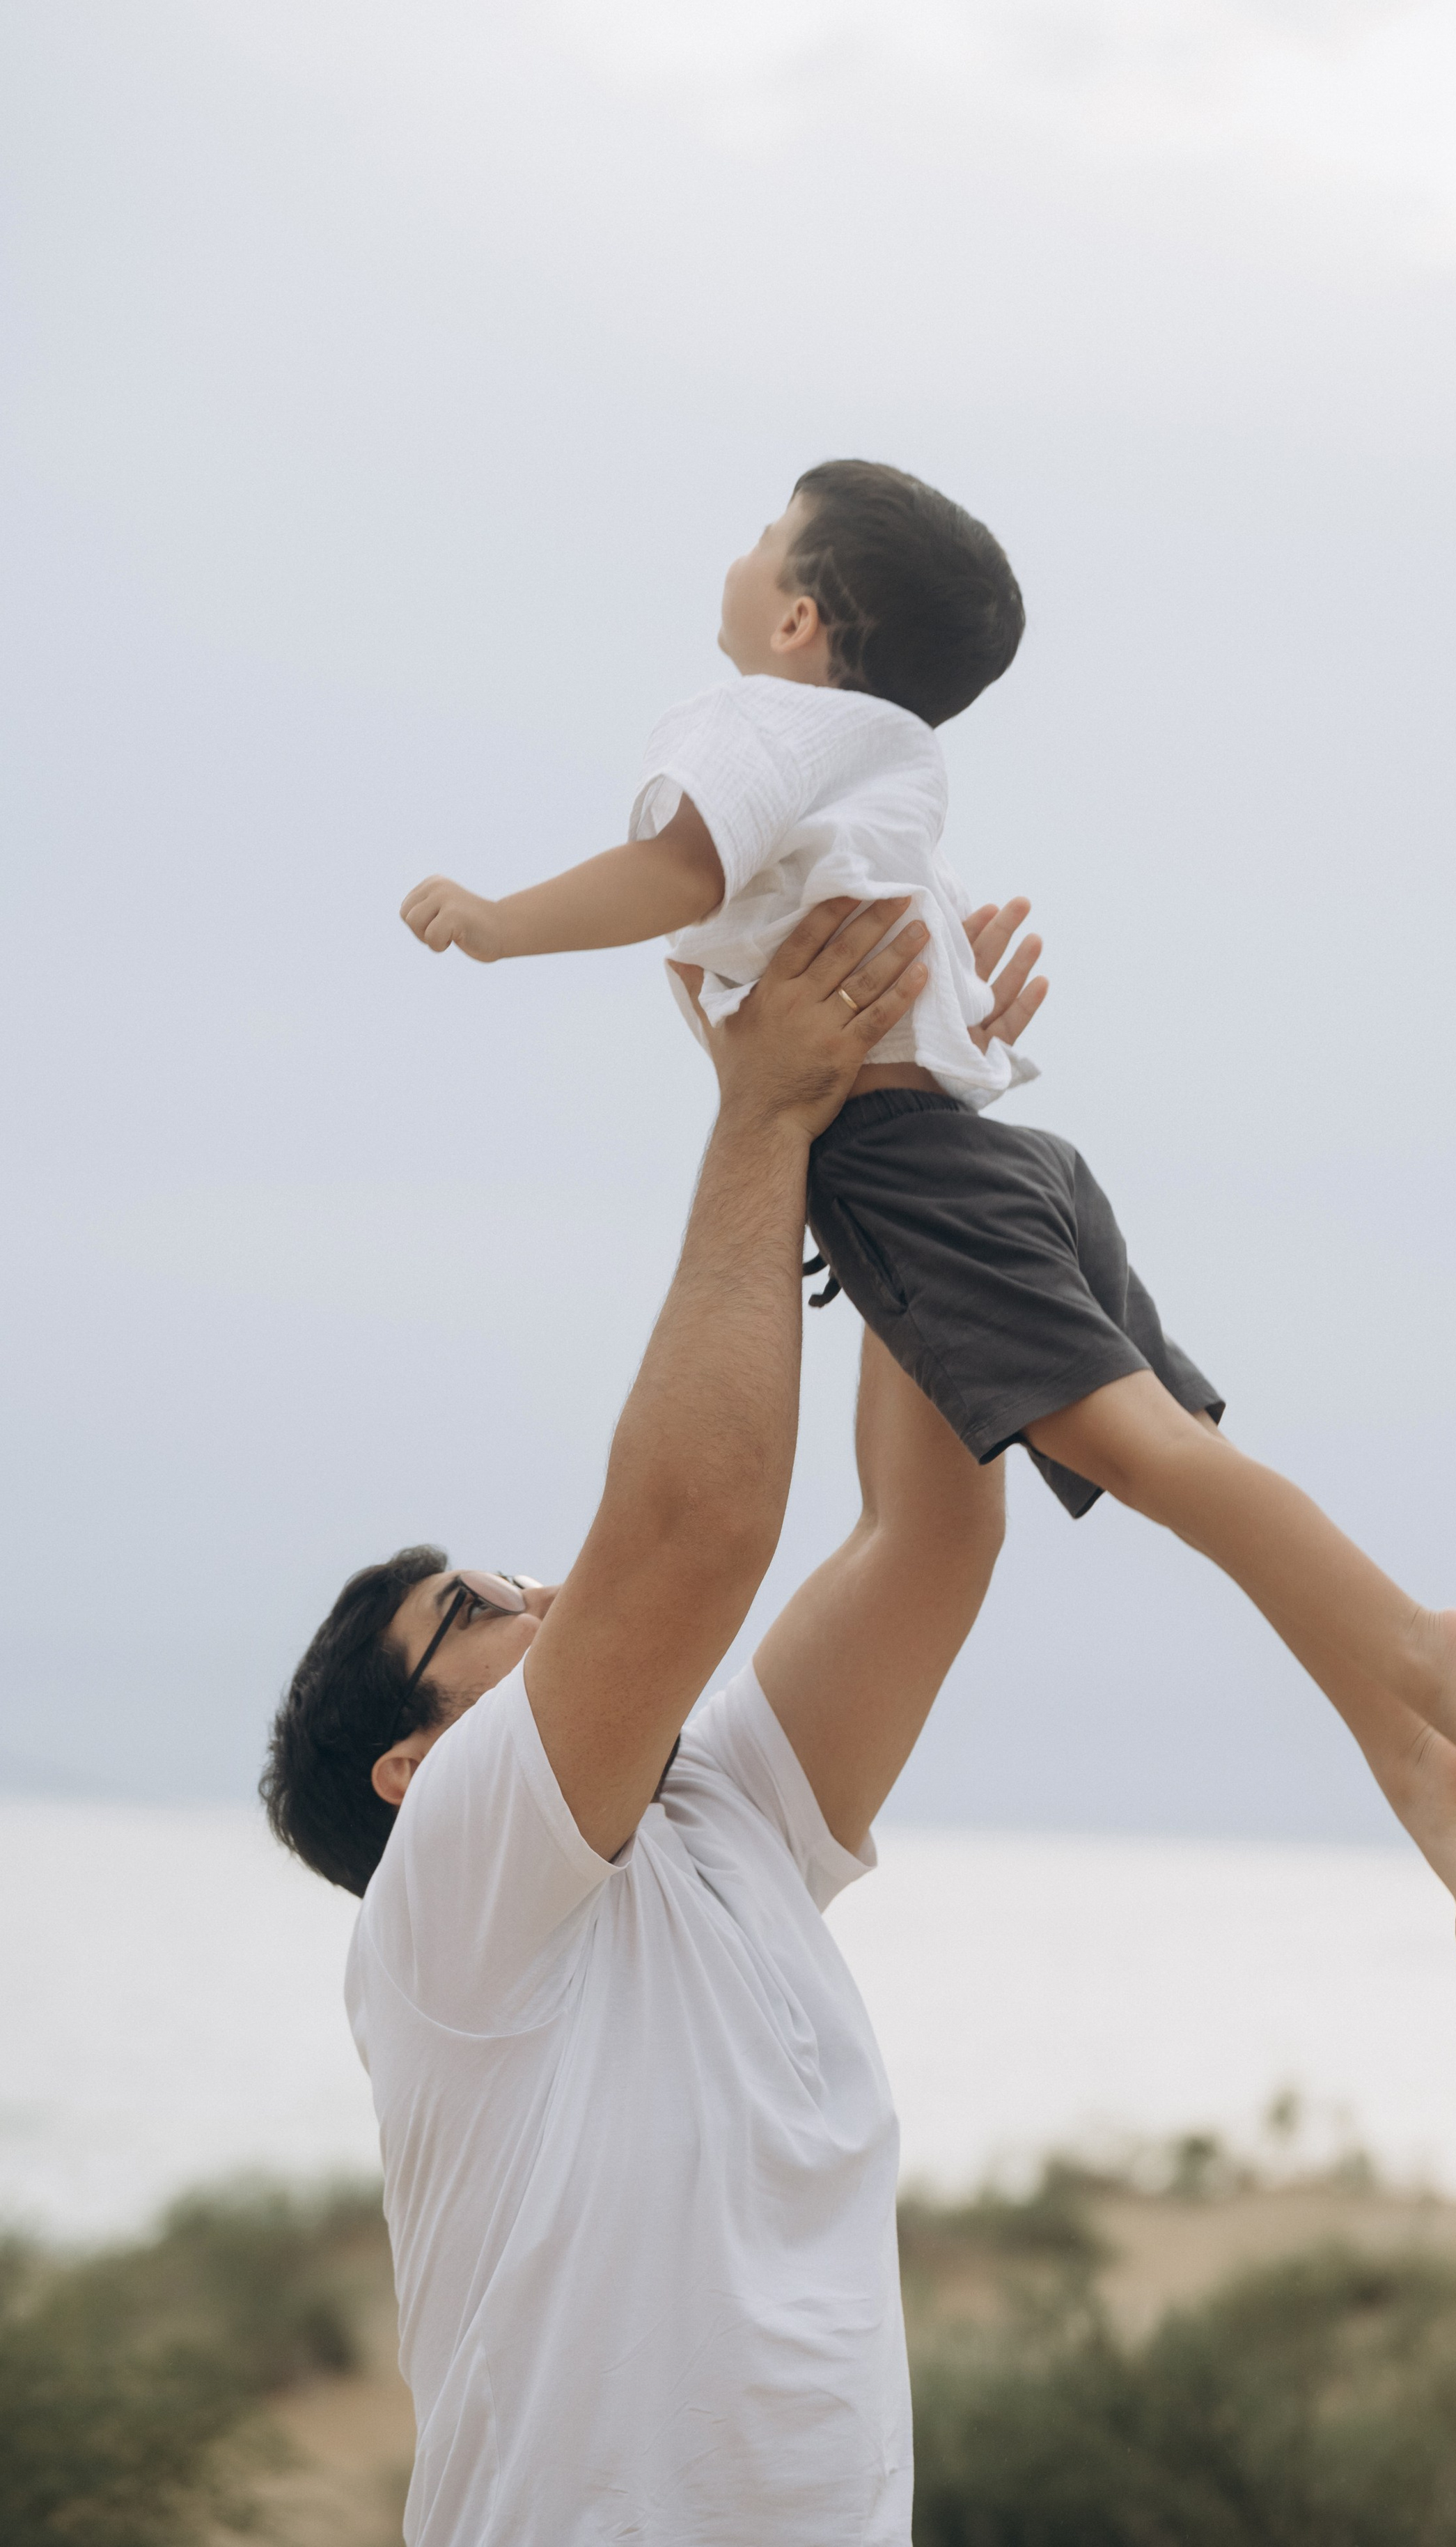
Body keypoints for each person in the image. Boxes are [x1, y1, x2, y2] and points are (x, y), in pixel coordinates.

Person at [399, 458, 1456, 1963]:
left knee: (1157, 1465)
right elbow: (920, 982)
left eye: (763, 537)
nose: (744, 553)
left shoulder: (755, 728)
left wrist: (501, 927)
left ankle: (1421, 1652)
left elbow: (674, 867)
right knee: (1192, 1469)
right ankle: (1407, 1743)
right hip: (1000, 1156)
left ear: (797, 622)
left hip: (910, 1168)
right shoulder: (882, 761)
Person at [262, 894, 1041, 2543]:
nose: (547, 1607)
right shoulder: (448, 1902)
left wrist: (902, 1108)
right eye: (481, 1616)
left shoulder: (722, 1822)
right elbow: (688, 1541)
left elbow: (930, 1532)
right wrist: (760, 1108)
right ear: (409, 1767)